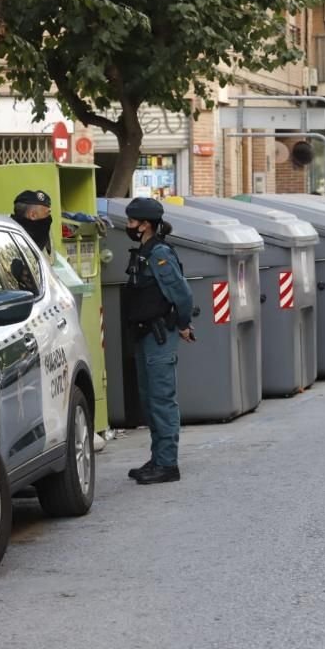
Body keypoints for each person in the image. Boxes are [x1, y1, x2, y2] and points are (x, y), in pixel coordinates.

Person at [124, 197, 194, 485]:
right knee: (149, 399)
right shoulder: (145, 251)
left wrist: (183, 324)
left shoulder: (159, 254)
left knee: (162, 400)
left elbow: (182, 294)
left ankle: (168, 464)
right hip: (144, 334)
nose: (127, 226)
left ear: (145, 224)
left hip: (158, 335)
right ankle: (157, 458)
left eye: (131, 221)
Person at [10, 189, 53, 256]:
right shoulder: (10, 241)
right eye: (47, 214)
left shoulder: (9, 232)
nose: (49, 218)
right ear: (33, 215)